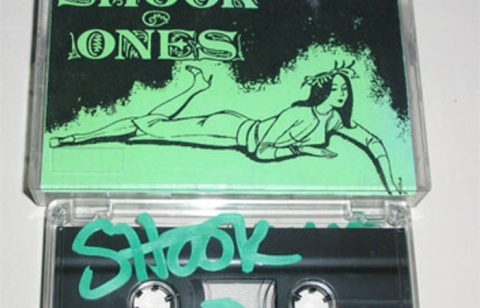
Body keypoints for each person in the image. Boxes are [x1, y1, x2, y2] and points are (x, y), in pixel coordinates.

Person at [50, 63, 401, 194]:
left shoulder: (335, 120)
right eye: (337, 88)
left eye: (345, 90)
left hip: (237, 132)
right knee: (150, 128)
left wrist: (391, 183)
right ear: (323, 90)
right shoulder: (299, 114)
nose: (343, 94)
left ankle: (195, 87)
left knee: (155, 125)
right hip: (230, 130)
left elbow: (372, 142)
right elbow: (261, 151)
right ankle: (77, 137)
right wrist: (303, 149)